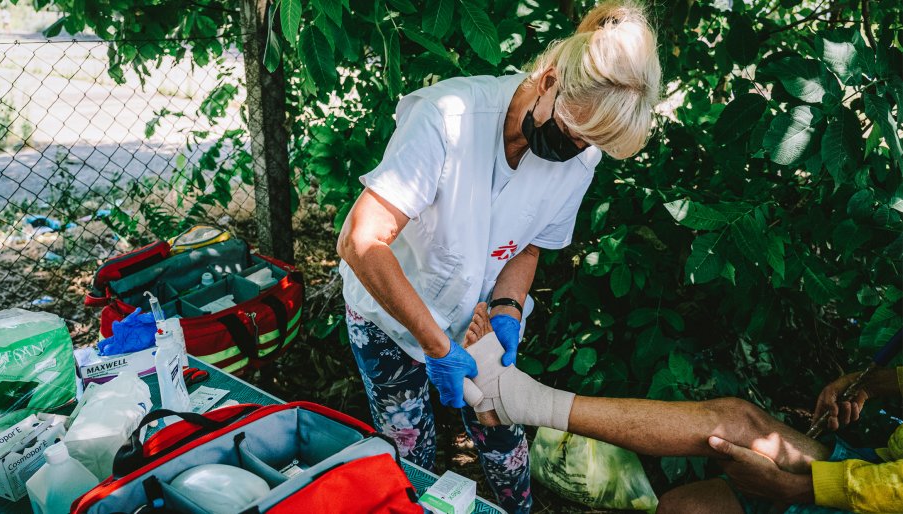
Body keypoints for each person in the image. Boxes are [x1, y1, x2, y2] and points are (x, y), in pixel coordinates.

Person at [336, 2, 661, 511]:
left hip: (477, 320)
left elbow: (530, 241)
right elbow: (360, 241)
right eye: (575, 133)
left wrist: (508, 308)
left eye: (590, 143)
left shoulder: (582, 155)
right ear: (549, 79)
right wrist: (435, 346)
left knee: (501, 428)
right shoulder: (448, 117)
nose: (577, 150)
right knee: (410, 452)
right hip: (388, 313)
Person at [461, 302, 903, 513]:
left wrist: (787, 488)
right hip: (876, 470)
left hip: (883, 496)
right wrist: (873, 382)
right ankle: (513, 400)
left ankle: (515, 401)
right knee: (728, 435)